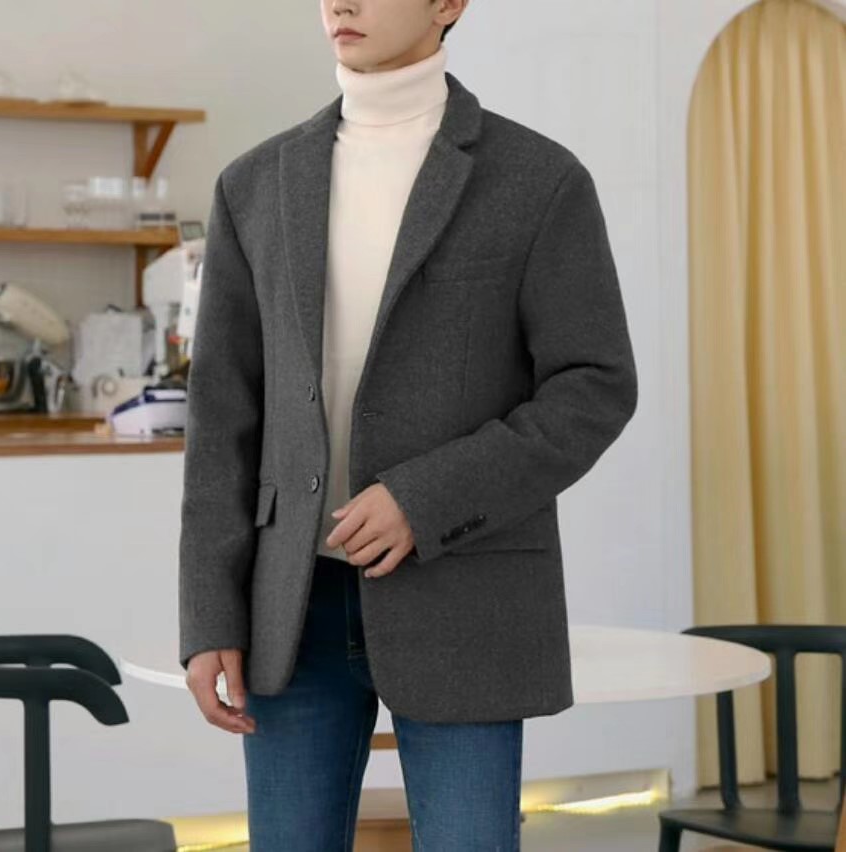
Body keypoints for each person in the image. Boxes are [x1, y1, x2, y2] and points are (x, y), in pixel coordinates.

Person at [179, 1, 638, 849]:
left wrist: (424, 500)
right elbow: (223, 419)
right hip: (291, 609)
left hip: (465, 594)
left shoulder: (538, 179)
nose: (341, 3)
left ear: (449, 3)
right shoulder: (254, 185)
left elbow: (594, 388)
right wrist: (209, 617)